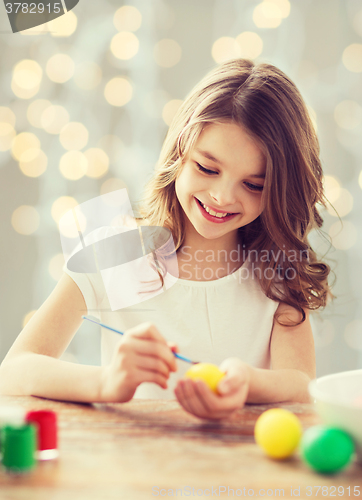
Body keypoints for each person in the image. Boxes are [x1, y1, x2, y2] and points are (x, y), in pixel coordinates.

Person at [0, 59, 332, 420]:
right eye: (207, 168)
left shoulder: (277, 274)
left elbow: (303, 386)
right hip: (129, 469)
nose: (222, 196)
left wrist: (247, 384)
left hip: (238, 473)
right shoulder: (115, 253)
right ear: (178, 153)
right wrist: (106, 382)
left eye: (253, 185)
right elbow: (15, 370)